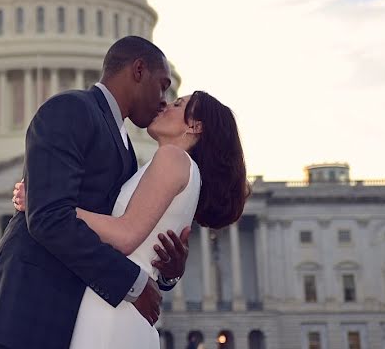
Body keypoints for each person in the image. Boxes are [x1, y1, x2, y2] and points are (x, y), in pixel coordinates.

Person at [0, 37, 192, 349]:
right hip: (29, 310)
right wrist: (132, 284)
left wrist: (168, 274)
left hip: (69, 317)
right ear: (138, 70)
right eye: (162, 85)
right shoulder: (70, 110)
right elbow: (49, 219)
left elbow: (112, 232)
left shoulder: (124, 147)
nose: (164, 99)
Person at [14, 89, 249, 348]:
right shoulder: (181, 170)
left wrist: (47, 203)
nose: (164, 106)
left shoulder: (172, 159)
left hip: (114, 307)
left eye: (177, 104)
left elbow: (125, 236)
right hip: (122, 304)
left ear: (194, 126)